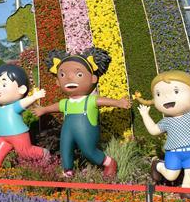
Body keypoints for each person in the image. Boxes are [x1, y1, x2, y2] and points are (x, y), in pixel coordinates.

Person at [33, 48, 131, 178]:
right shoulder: (66, 102)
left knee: (88, 151)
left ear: (93, 78)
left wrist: (118, 103)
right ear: (57, 81)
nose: (69, 78)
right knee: (65, 148)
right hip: (68, 131)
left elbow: (103, 101)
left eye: (79, 74)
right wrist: (43, 109)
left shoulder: (90, 101)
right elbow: (56, 106)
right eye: (62, 75)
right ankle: (68, 171)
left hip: (87, 131)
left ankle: (109, 163)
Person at [135, 72, 190, 193]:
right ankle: (157, 165)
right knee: (171, 175)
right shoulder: (166, 121)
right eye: (159, 94)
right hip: (174, 152)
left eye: (176, 91)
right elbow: (154, 130)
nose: (166, 98)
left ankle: (185, 194)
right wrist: (145, 115)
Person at [0, 64, 48, 170]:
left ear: (21, 89)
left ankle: (43, 153)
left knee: (25, 153)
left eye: (3, 85)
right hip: (3, 137)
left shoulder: (14, 106)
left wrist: (34, 97)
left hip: (18, 135)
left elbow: (25, 102)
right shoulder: (0, 106)